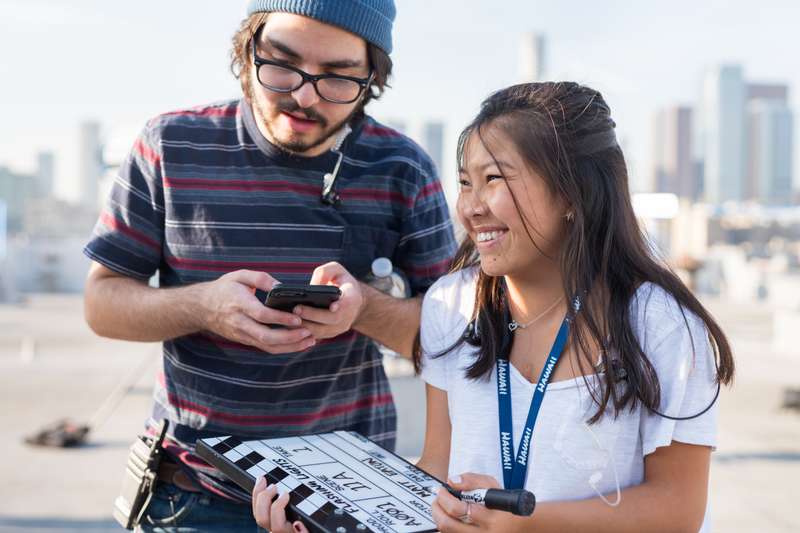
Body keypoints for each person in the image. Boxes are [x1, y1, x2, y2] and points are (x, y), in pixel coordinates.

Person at [82, 0, 456, 530]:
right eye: (281, 63)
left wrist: (364, 309)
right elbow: (102, 305)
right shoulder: (169, 145)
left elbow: (456, 339)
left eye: (338, 78)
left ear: (372, 78)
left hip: (346, 498)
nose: (304, 96)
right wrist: (204, 306)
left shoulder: (405, 168)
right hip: (191, 496)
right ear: (247, 48)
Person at [411, 82, 735, 532]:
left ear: (570, 192)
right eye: (466, 183)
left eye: (493, 179)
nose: (470, 207)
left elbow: (678, 508)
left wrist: (528, 526)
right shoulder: (450, 304)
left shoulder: (660, 323)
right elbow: (435, 467)